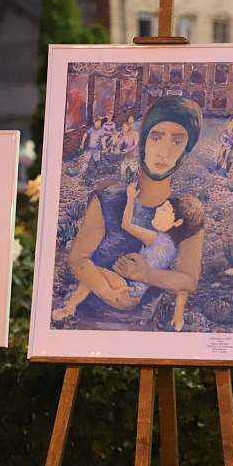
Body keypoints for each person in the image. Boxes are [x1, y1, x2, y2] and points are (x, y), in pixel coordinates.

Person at [63, 94, 205, 330]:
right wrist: (108, 294)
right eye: (156, 137)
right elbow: (78, 258)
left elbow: (189, 280)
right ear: (143, 141)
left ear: (185, 152)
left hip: (144, 330)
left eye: (177, 142)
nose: (164, 152)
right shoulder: (108, 197)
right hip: (88, 327)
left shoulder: (186, 212)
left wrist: (146, 274)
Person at [53, 182, 205, 330]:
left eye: (164, 210)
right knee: (95, 273)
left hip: (124, 290)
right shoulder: (175, 248)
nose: (157, 210)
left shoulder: (155, 238)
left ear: (177, 222)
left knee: (88, 268)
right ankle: (71, 306)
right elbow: (181, 287)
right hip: (136, 294)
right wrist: (178, 315)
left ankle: (70, 307)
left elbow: (126, 224)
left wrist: (131, 198)